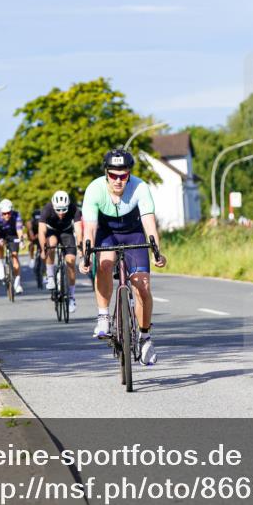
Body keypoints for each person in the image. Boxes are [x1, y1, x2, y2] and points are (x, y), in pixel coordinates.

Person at [79, 148, 167, 365]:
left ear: (129, 174)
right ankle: (103, 317)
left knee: (143, 286)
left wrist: (157, 251)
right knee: (105, 264)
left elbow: (149, 224)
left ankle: (145, 337)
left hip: (134, 234)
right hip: (107, 234)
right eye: (113, 175)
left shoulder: (140, 187)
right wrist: (85, 255)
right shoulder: (94, 189)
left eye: (123, 175)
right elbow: (89, 229)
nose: (118, 180)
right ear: (106, 173)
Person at [38, 190, 83, 314]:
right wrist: (43, 249)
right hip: (51, 231)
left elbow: (79, 231)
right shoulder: (47, 209)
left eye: (64, 209)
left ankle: (72, 297)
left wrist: (80, 248)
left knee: (71, 261)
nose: (61, 213)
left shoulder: (74, 209)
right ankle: (50, 276)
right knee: (51, 244)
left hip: (67, 232)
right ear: (53, 206)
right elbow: (41, 231)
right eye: (58, 210)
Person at [0, 199, 25, 294]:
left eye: (8, 213)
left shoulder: (16, 215)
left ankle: (17, 284)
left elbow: (19, 230)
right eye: (4, 213)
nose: (7, 215)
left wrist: (21, 241)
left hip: (13, 234)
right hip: (1, 234)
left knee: (15, 257)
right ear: (1, 212)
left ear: (11, 211)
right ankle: (0, 264)